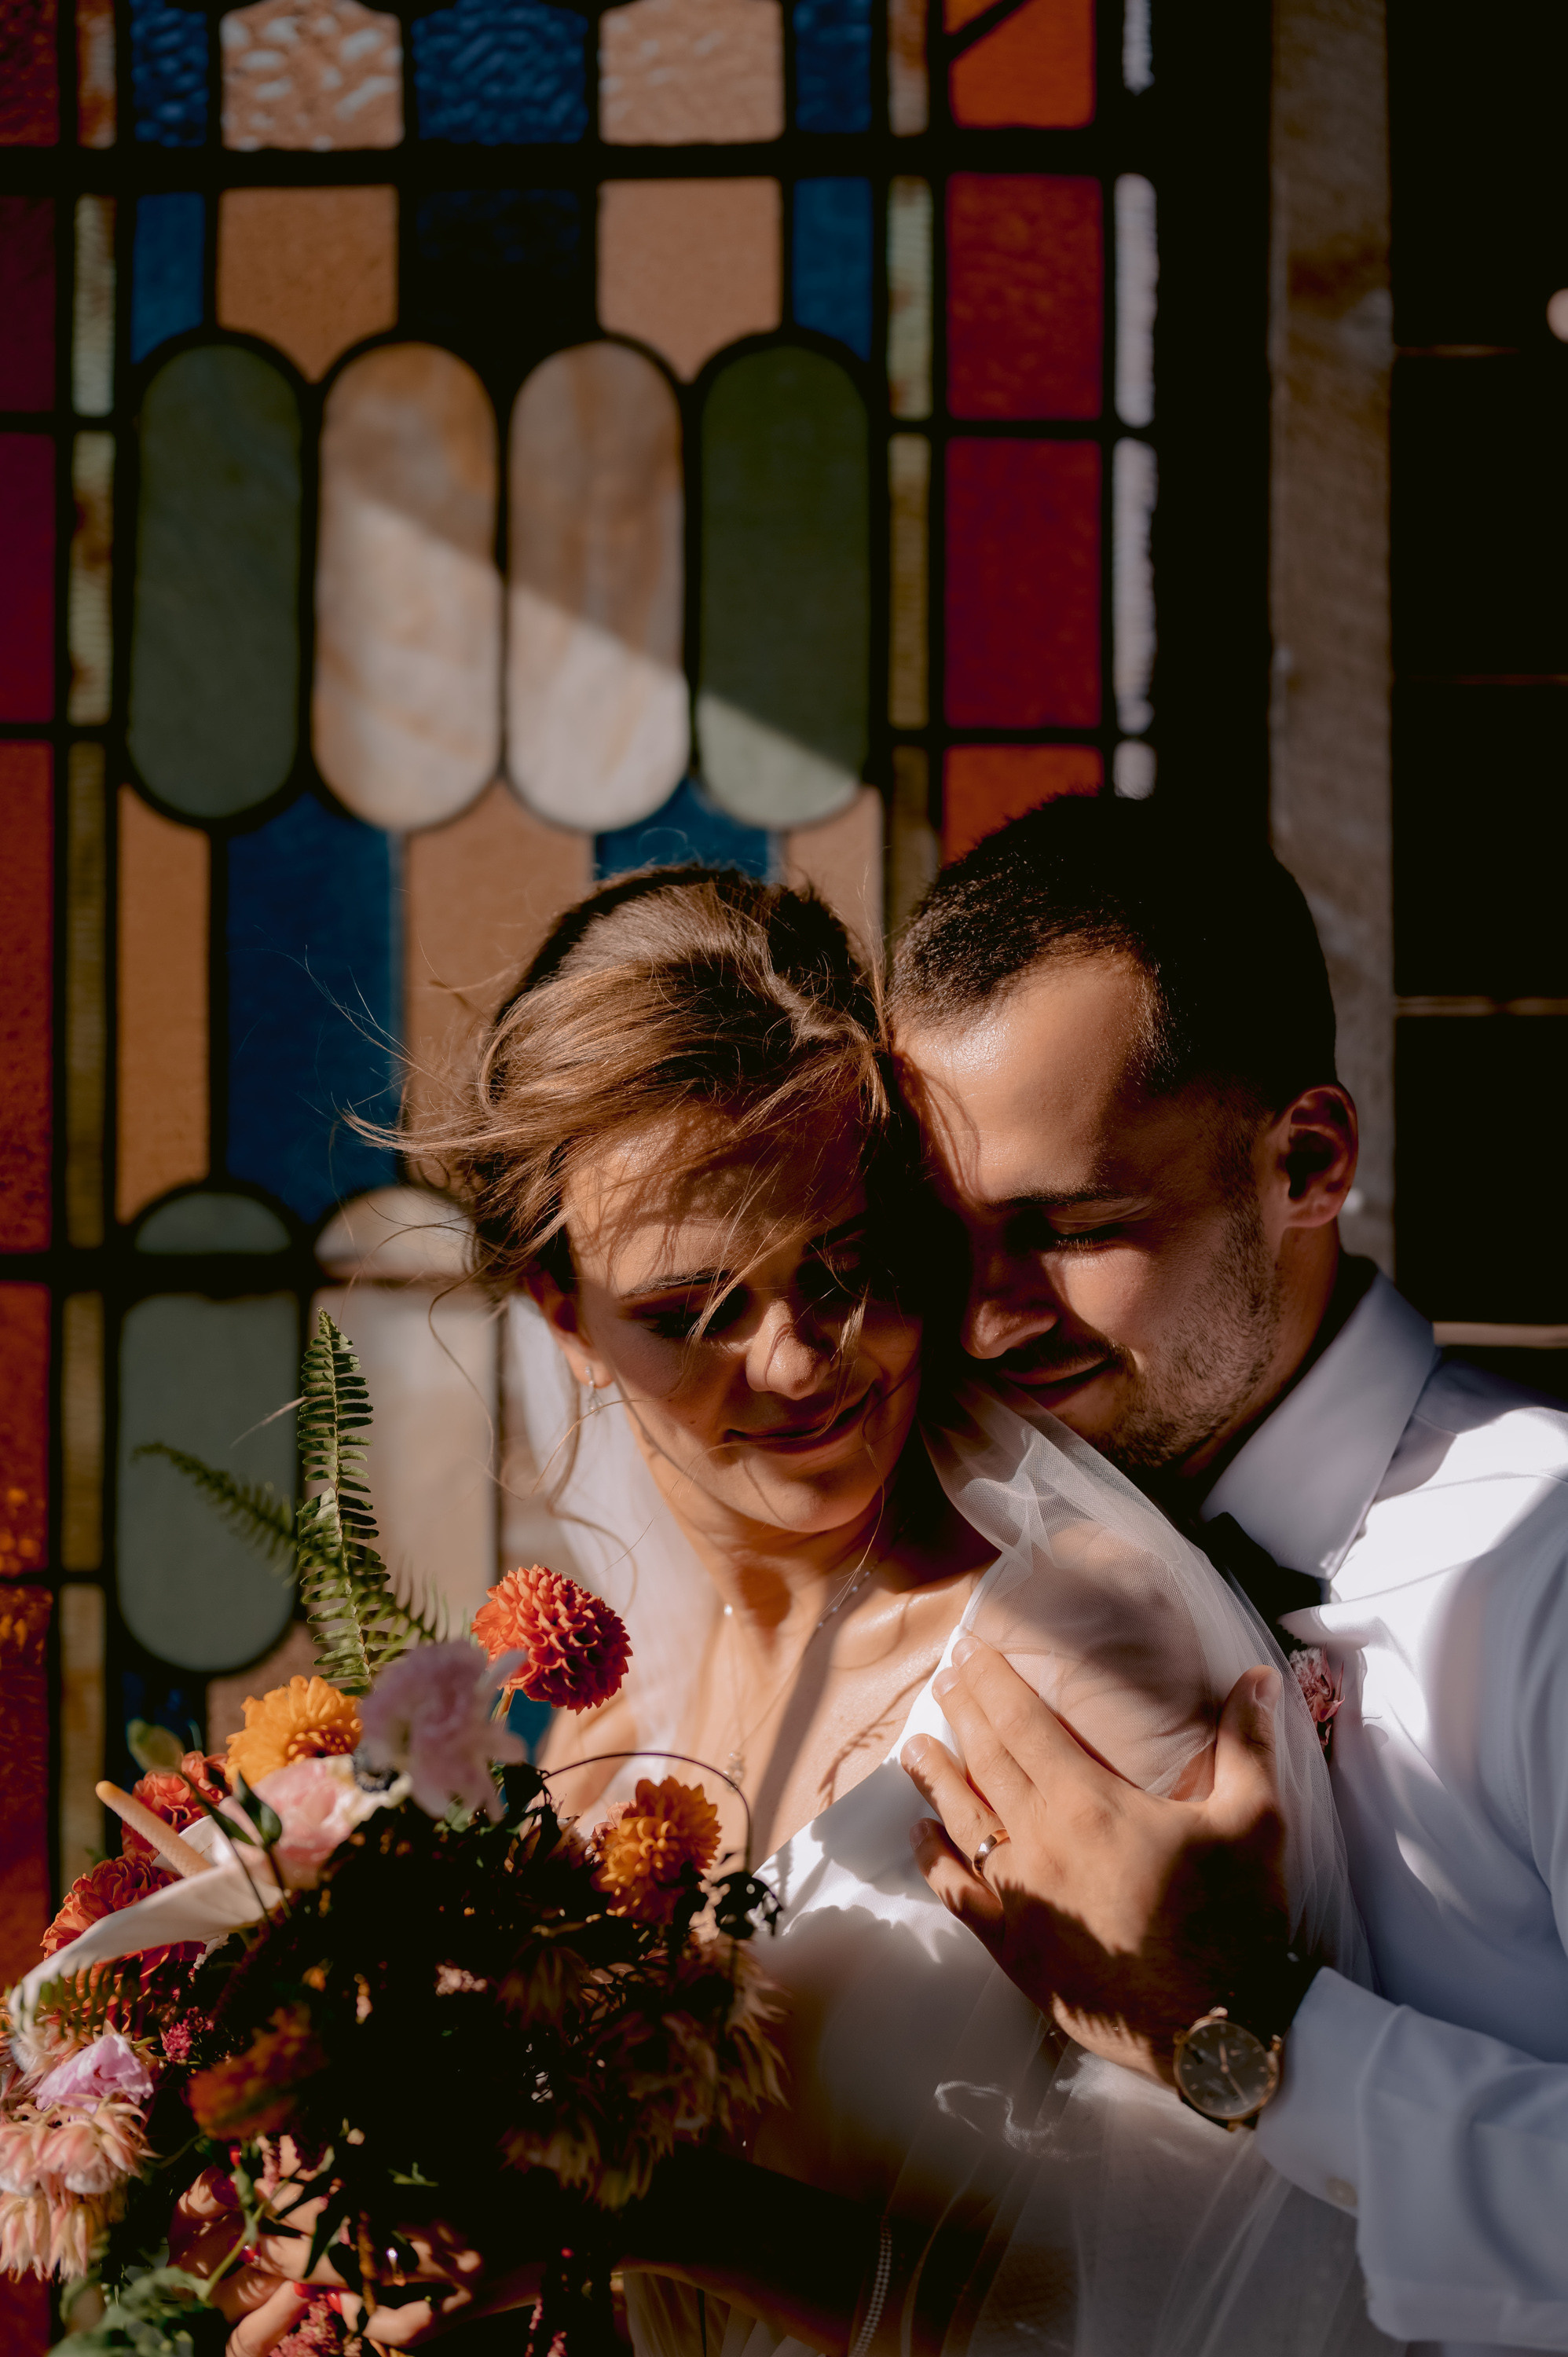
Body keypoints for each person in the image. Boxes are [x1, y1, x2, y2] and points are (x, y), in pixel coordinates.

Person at [182, 867, 1384, 2355]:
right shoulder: (596, 1734)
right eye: (696, 1313)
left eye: (844, 1269)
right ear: (563, 1314)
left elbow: (1252, 2300)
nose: (801, 1363)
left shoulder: (1076, 1648)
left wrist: (635, 2209)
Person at [888, 794, 1568, 2357]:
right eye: (941, 1244)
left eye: (1066, 1226)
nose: (983, 1322)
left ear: (1306, 1160)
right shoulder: (948, 1541)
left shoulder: (1533, 1569)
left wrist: (1251, 2039)